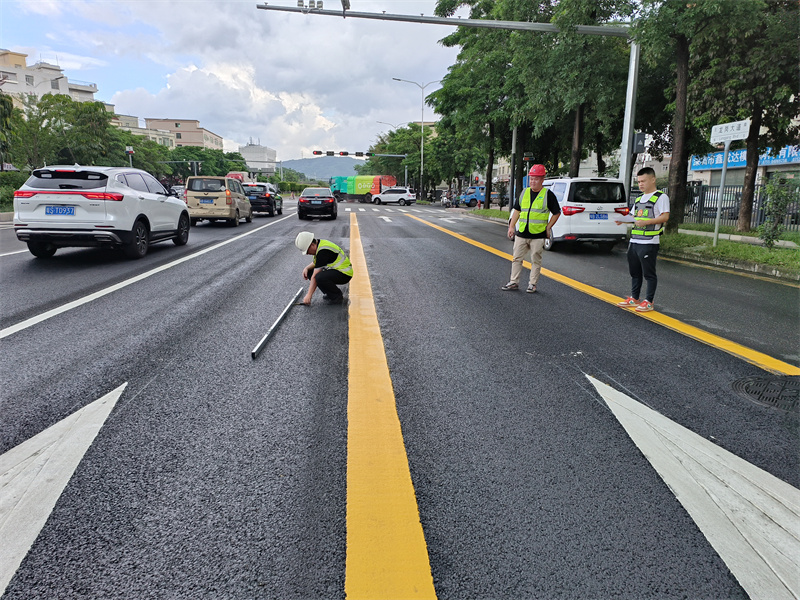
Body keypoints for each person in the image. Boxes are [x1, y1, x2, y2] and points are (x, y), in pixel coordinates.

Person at [615, 167, 670, 312]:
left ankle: (649, 301)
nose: (640, 184)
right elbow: (633, 217)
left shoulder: (661, 197)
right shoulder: (639, 198)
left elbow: (665, 216)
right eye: (639, 181)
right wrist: (623, 220)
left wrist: (647, 222)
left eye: (643, 181)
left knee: (649, 273)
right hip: (635, 241)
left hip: (649, 241)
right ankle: (634, 298)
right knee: (635, 272)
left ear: (653, 179)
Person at [500, 164, 561, 293]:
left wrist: (548, 227)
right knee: (516, 258)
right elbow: (517, 210)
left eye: (536, 179)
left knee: (535, 260)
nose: (532, 181)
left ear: (542, 180)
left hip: (538, 234)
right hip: (522, 233)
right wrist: (511, 227)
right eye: (531, 178)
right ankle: (513, 282)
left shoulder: (548, 195)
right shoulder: (524, 192)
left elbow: (556, 213)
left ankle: (532, 284)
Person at [295, 231, 353, 305]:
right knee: (310, 272)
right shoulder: (319, 245)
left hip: (345, 273)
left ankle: (337, 296)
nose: (306, 253)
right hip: (337, 271)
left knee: (319, 277)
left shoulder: (323, 251)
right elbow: (316, 263)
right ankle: (330, 293)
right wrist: (306, 268)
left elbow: (315, 276)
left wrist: (309, 295)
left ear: (312, 244)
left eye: (307, 251)